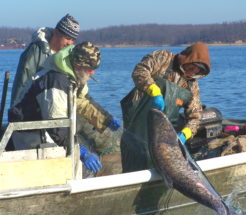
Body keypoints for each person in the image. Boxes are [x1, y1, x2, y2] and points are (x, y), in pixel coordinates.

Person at [8, 42, 116, 174]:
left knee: (88, 149)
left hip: (47, 129)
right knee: (81, 168)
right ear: (78, 65)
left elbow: (82, 102)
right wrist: (81, 152)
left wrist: (106, 120)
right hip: (31, 134)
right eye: (89, 69)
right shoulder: (56, 82)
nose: (92, 72)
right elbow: (57, 127)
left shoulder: (71, 75)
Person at [120, 42, 210, 172]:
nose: (194, 70)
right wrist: (153, 91)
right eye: (194, 65)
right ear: (188, 58)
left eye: (199, 69)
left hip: (164, 134)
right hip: (137, 126)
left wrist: (185, 134)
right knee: (134, 164)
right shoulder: (164, 57)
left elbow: (195, 116)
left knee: (159, 167)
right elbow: (140, 70)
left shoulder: (192, 86)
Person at [11, 13, 80, 107]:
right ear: (56, 32)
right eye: (67, 38)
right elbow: (22, 84)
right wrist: (15, 112)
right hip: (35, 111)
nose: (70, 43)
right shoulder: (36, 51)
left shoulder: (69, 57)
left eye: (73, 40)